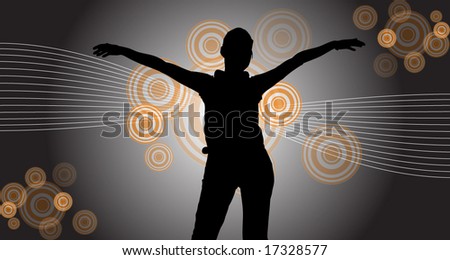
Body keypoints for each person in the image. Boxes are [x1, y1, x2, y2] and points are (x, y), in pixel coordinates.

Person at [93, 28, 365, 239]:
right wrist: (332, 46)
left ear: (236, 54)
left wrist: (122, 49)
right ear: (228, 52)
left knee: (241, 238)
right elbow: (297, 60)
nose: (240, 54)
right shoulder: (228, 84)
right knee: (209, 237)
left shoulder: (217, 85)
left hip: (248, 166)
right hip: (230, 165)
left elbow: (161, 65)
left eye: (243, 49)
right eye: (239, 49)